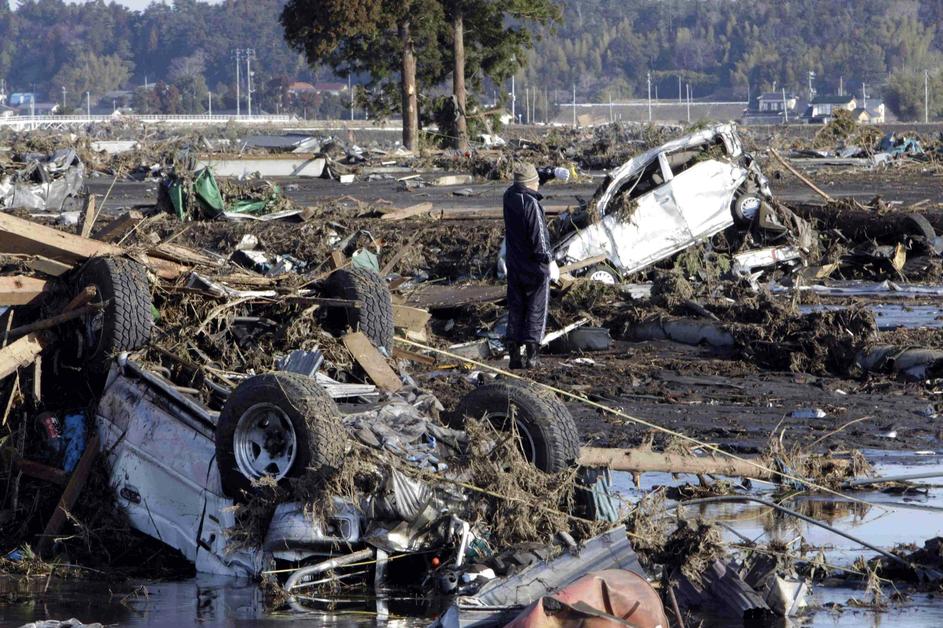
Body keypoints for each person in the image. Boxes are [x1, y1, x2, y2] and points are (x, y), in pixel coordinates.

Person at [503, 162, 552, 369]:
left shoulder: (509, 197)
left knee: (516, 308)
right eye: (538, 181)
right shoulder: (531, 204)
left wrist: (551, 173)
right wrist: (548, 259)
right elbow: (539, 237)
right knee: (536, 308)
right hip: (534, 266)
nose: (540, 183)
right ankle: (533, 356)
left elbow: (527, 179)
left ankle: (514, 354)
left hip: (515, 264)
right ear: (532, 184)